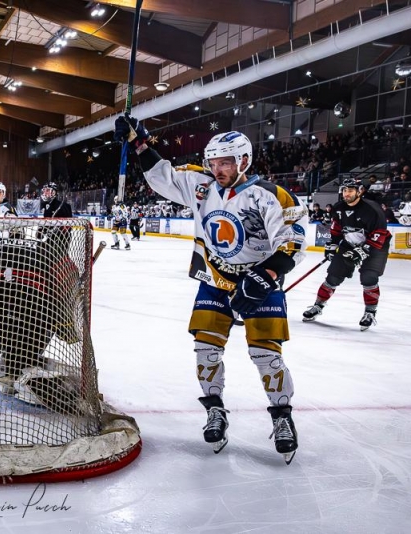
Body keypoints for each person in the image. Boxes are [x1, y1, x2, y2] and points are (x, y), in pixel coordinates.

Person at [115, 116, 308, 464]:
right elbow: (163, 177)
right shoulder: (200, 184)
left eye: (226, 162)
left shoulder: (271, 195)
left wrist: (266, 275)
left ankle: (282, 417)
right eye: (214, 162)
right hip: (214, 280)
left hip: (259, 283)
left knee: (266, 355)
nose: (218, 169)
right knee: (206, 350)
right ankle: (215, 410)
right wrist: (139, 142)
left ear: (244, 161)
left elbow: (292, 240)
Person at [302, 178, 391, 331]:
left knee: (369, 278)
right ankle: (318, 306)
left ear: (359, 192)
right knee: (333, 277)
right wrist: (332, 245)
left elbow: (380, 234)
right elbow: (336, 229)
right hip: (349, 243)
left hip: (376, 246)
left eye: (350, 190)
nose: (347, 193)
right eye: (344, 190)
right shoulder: (338, 208)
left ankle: (370, 313)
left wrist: (363, 251)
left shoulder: (372, 209)